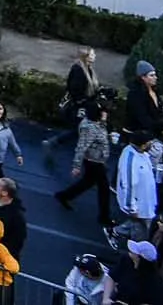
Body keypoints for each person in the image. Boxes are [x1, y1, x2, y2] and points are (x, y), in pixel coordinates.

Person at [56, 96, 115, 227]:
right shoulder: (89, 128)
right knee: (104, 188)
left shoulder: (96, 123)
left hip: (97, 160)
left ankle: (64, 195)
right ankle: (104, 216)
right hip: (93, 161)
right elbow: (81, 147)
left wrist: (104, 121)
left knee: (87, 182)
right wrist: (76, 165)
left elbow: (101, 132)